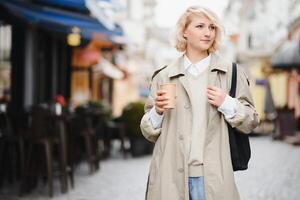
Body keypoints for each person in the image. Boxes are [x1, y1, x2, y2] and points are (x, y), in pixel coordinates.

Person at [140, 5, 259, 200]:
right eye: (200, 26)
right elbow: (148, 131)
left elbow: (251, 121)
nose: (208, 33)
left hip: (214, 179)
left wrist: (227, 103)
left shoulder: (231, 73)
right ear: (184, 32)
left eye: (212, 27)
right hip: (170, 178)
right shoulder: (163, 76)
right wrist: (158, 111)